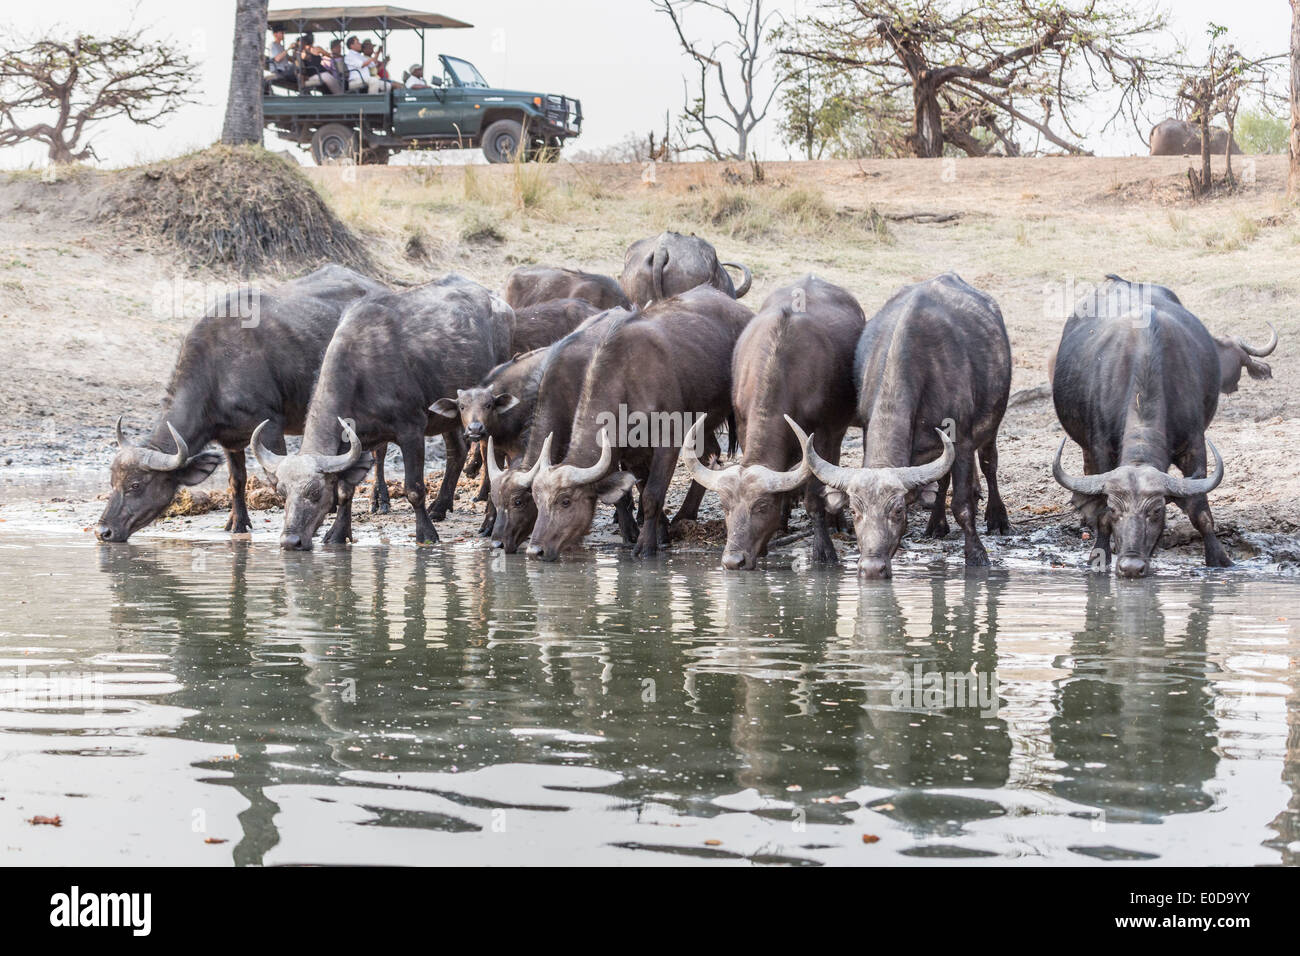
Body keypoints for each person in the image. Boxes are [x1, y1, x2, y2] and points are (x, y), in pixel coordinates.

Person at [265, 27, 297, 91]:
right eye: (281, 33)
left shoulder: (281, 46)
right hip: (279, 71)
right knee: (296, 69)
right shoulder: (272, 45)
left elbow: (291, 59)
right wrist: (289, 48)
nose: (283, 35)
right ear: (275, 34)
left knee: (299, 68)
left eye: (283, 33)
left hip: (285, 70)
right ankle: (303, 90)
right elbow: (277, 59)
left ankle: (305, 89)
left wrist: (295, 51)